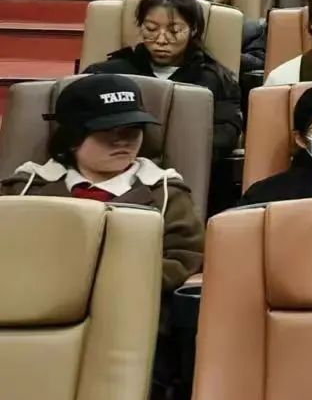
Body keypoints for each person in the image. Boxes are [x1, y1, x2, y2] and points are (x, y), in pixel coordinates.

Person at [0, 74, 202, 291]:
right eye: (106, 131)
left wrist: (106, 282)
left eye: (132, 130)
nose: (122, 141)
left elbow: (183, 258)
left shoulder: (167, 194)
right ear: (72, 139)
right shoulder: (24, 189)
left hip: (130, 303)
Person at [85, 0, 242, 160]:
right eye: (151, 29)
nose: (161, 40)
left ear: (194, 30)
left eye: (174, 31)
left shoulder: (218, 80)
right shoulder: (104, 74)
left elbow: (225, 136)